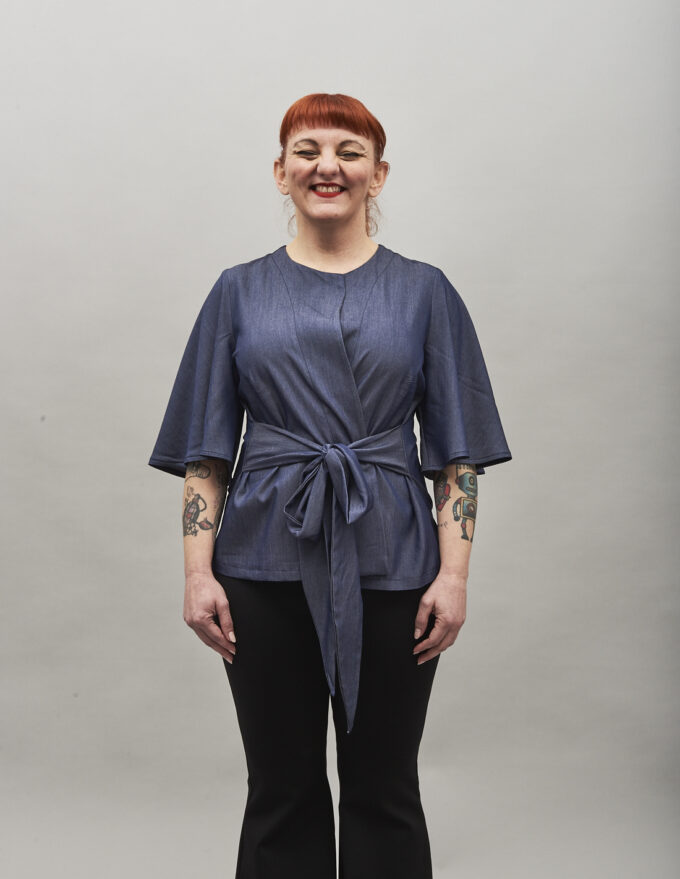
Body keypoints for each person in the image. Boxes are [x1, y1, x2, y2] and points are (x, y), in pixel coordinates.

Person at [148, 92, 512, 879]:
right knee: (279, 786)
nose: (328, 166)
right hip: (260, 561)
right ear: (280, 171)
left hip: (394, 560)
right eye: (308, 150)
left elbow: (458, 456)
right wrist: (197, 572)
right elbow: (206, 452)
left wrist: (453, 576)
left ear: (378, 175)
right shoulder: (237, 291)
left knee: (385, 785)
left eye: (349, 152)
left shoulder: (425, 292)